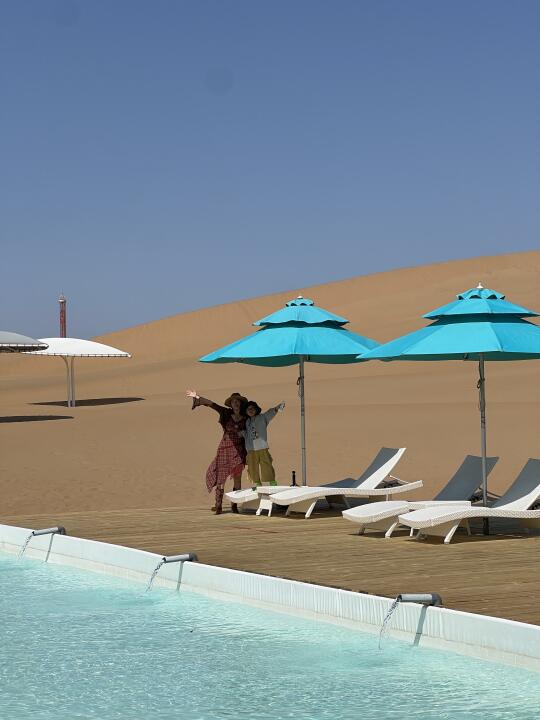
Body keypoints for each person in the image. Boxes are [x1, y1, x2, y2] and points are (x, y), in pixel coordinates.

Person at [186, 389, 247, 514]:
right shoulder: (226, 413)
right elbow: (212, 404)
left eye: (238, 401)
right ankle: (218, 505)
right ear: (231, 404)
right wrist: (197, 397)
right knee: (221, 478)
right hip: (225, 449)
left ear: (241, 403)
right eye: (234, 401)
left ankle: (234, 505)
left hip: (239, 450)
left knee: (237, 478)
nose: (236, 403)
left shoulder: (246, 417)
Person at [242, 400, 284, 488]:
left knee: (266, 464)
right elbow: (246, 434)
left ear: (256, 409)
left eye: (252, 408)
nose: (250, 410)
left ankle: (272, 481)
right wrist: (241, 433)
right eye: (248, 409)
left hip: (262, 446)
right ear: (245, 411)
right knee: (252, 467)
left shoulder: (262, 417)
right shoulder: (247, 422)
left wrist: (277, 407)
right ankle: (257, 483)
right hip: (251, 449)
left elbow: (270, 413)